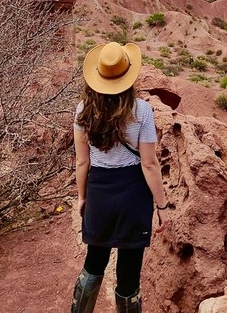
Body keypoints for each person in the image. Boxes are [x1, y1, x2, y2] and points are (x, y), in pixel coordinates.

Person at [71, 42, 170, 313]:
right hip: (133, 195)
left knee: (94, 262)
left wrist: (83, 197)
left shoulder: (82, 111)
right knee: (129, 270)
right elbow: (149, 165)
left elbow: (83, 161)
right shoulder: (142, 111)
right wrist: (162, 207)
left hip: (100, 191)